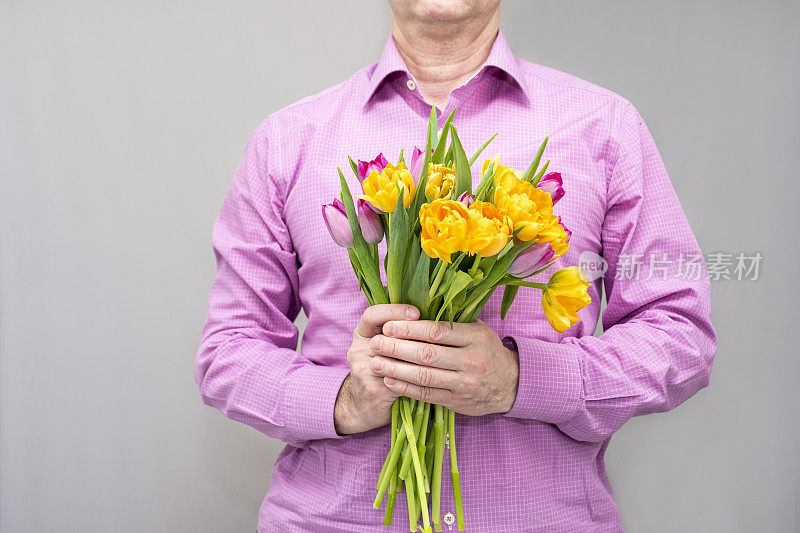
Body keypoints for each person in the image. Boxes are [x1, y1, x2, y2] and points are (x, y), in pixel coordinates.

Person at [194, 1, 717, 531]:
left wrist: (519, 380)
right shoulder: (287, 140)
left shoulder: (605, 127)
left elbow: (680, 334)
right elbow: (228, 350)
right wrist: (345, 401)